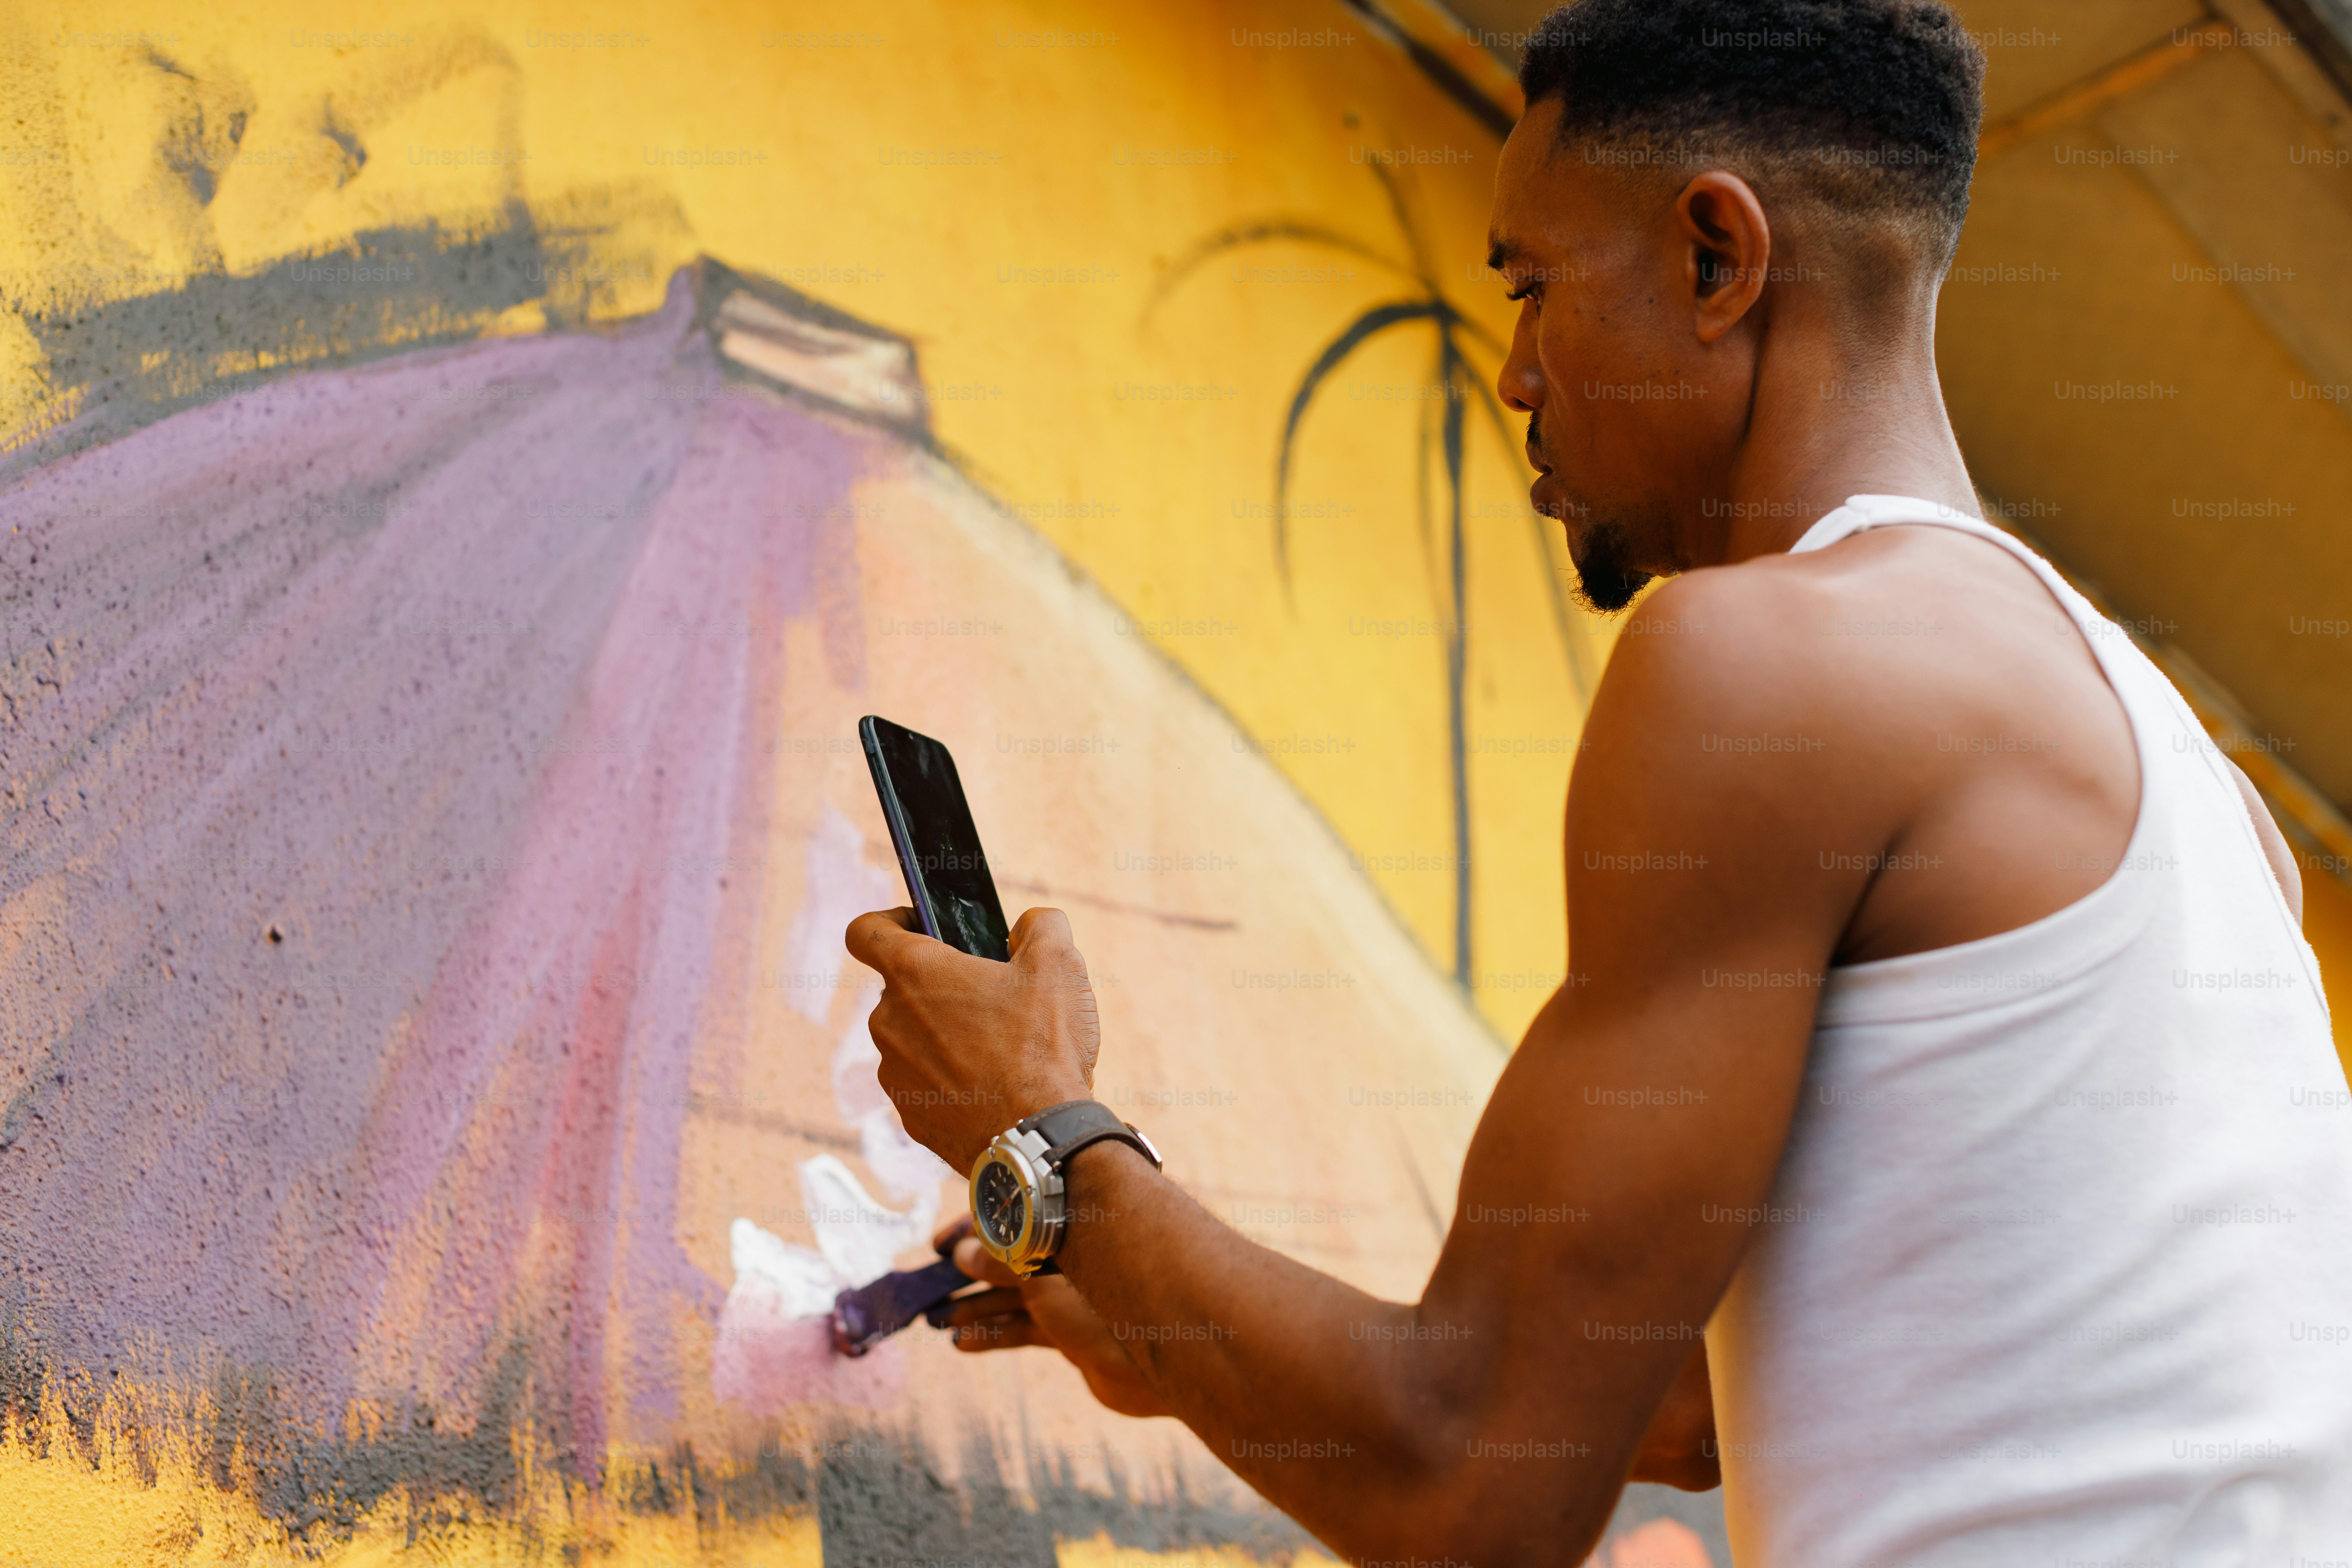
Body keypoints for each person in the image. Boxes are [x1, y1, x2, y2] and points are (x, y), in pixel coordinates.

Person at [846, 2, 2352, 1562]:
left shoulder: (1769, 667)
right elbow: (1685, 1409)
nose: (1511, 373)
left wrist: (1033, 1136)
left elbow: (1473, 1489)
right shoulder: (2214, 807)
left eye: (1533, 284)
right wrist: (1168, 1316)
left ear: (1717, 259)